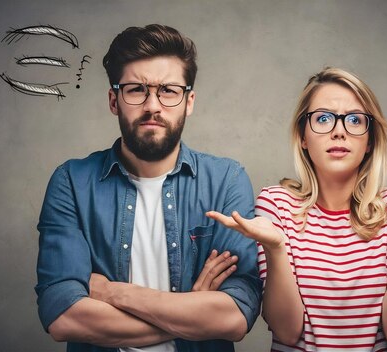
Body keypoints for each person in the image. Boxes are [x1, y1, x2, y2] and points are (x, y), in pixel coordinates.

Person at [207, 68, 387, 351]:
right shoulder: (276, 204)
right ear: (303, 136)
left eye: (355, 120)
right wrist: (277, 248)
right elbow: (286, 331)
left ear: (370, 140)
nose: (339, 132)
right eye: (323, 119)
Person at [35, 24, 261, 352]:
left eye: (168, 90)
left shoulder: (226, 180)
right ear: (114, 100)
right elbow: (64, 317)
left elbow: (235, 317)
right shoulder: (72, 182)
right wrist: (192, 310)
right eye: (136, 90)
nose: (153, 105)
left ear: (189, 101)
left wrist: (113, 292)